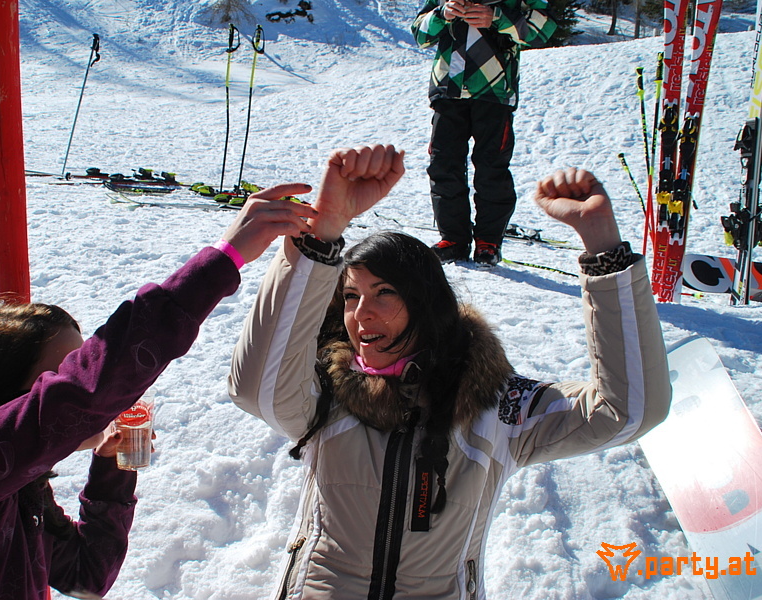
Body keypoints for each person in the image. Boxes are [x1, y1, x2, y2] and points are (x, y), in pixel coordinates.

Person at [228, 144, 671, 599]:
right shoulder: (328, 392)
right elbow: (255, 389)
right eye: (351, 296)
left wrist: (605, 253)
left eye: (384, 293)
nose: (361, 316)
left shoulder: (494, 406)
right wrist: (320, 239)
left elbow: (627, 410)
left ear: (426, 305)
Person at [0, 191, 318, 599]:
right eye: (62, 372)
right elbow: (86, 392)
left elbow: (87, 574)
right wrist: (225, 258)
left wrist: (111, 470)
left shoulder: (11, 486)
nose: (84, 382)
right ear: (14, 396)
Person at [411, 0, 558, 266]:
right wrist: (442, 14)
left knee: (492, 168)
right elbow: (420, 34)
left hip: (495, 93)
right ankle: (453, 240)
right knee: (444, 165)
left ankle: (488, 242)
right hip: (448, 91)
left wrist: (497, 18)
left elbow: (543, 29)